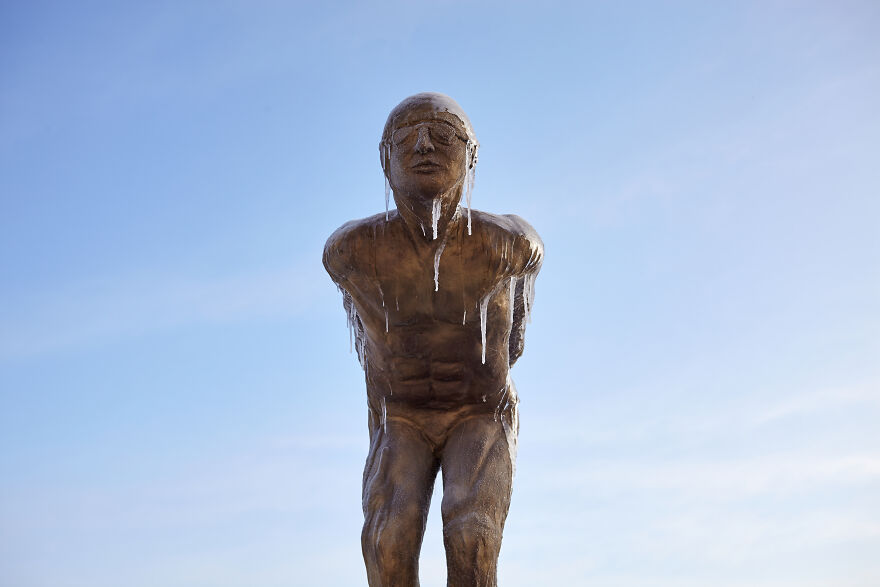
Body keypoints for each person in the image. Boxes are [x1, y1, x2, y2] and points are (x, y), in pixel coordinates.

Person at [323, 92, 543, 586]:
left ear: (472, 155)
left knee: (471, 533)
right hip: (402, 415)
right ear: (385, 160)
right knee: (388, 541)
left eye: (444, 135)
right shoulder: (352, 253)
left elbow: (517, 339)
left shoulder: (507, 246)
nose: (424, 145)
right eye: (406, 138)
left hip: (477, 410)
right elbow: (369, 353)